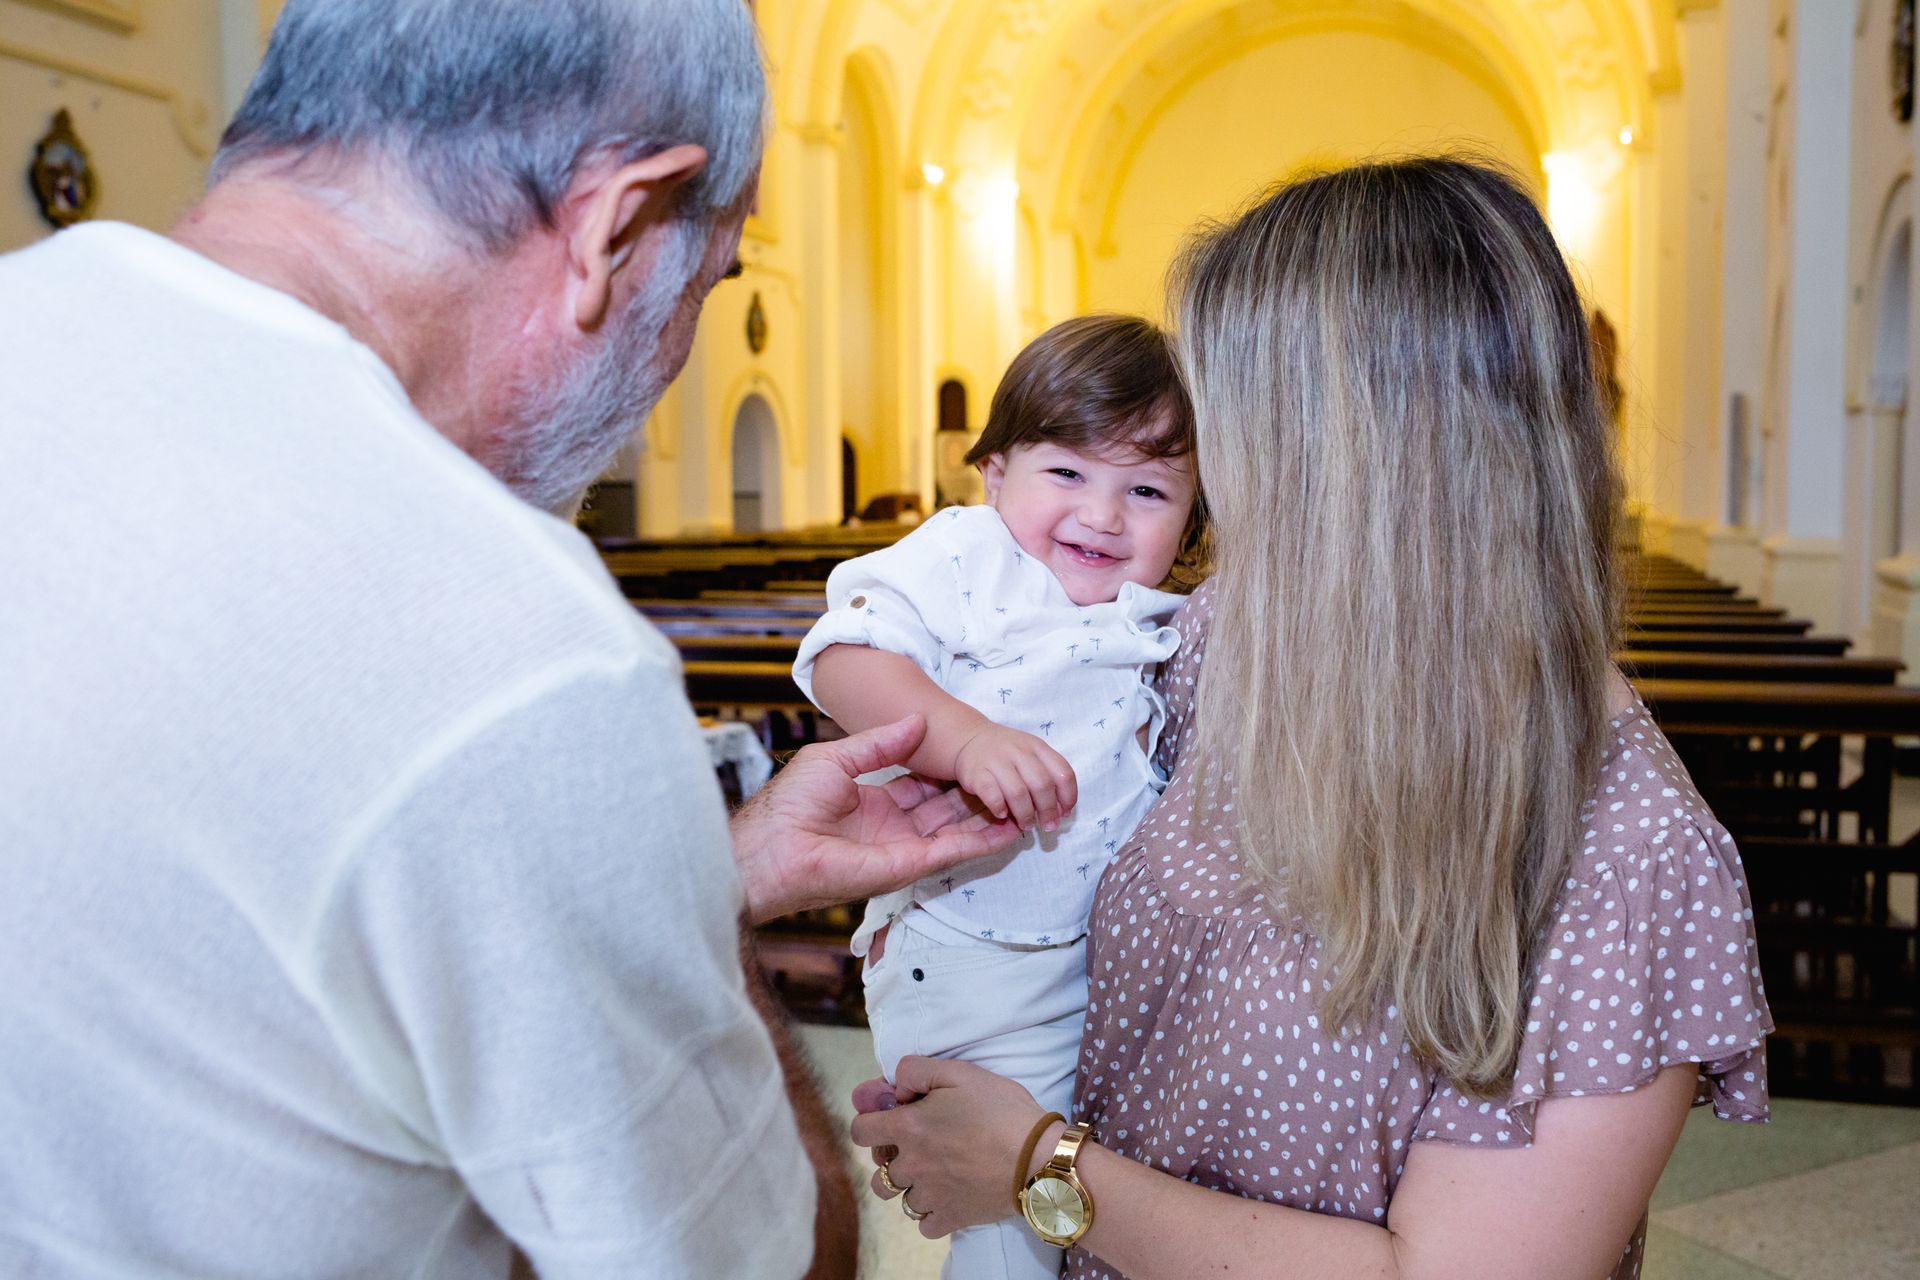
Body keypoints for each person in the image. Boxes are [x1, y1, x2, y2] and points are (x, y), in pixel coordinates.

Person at [0, 2, 1017, 1277]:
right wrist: (684, 928)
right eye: (707, 283)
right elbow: (762, 1256)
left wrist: (685, 866)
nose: (674, 364)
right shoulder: (517, 646)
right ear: (617, 226)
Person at [851, 157, 1773, 1279]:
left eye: (1227, 419)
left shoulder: (1623, 851)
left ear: (1356, 458)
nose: (1205, 475)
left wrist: (1037, 1166)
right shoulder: (1230, 635)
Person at [795, 314, 1202, 1279]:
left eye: (1145, 490)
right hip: (962, 953)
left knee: (1067, 1201)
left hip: (1080, 971)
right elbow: (843, 657)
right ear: (992, 474)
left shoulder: (1160, 619)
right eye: (1066, 474)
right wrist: (962, 736)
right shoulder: (968, 560)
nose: (1102, 516)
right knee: (1009, 1226)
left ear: (1191, 519)